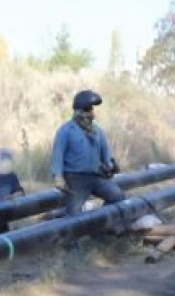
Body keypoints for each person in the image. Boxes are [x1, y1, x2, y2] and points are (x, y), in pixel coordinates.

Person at [50, 89, 124, 219]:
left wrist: (110, 165)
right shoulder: (66, 130)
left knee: (117, 196)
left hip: (96, 176)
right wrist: (58, 177)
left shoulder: (97, 131)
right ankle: (72, 238)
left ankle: (100, 224)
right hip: (75, 178)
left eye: (90, 110)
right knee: (74, 212)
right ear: (78, 111)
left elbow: (105, 153)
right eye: (86, 110)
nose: (89, 114)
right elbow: (58, 154)